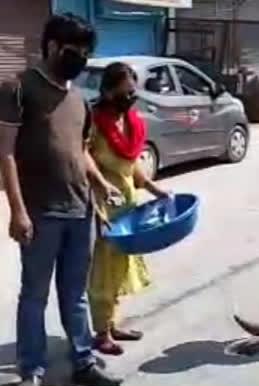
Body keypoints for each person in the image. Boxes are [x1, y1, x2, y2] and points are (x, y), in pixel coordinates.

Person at [0, 13, 123, 386]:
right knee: (34, 294)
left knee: (75, 293)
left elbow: (80, 151)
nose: (81, 58)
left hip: (79, 210)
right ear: (51, 46)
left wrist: (101, 186)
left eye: (86, 52)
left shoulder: (78, 100)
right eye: (75, 50)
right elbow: (6, 153)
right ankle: (31, 370)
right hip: (41, 212)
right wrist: (18, 210)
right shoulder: (17, 88)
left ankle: (83, 361)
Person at [87, 63, 171, 356]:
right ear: (108, 91)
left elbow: (132, 168)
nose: (129, 97)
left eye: (132, 92)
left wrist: (154, 189)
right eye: (123, 92)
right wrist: (98, 197)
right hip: (102, 207)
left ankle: (113, 324)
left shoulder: (132, 122)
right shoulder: (95, 123)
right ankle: (101, 332)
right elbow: (84, 161)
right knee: (103, 272)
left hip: (127, 205)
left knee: (121, 268)